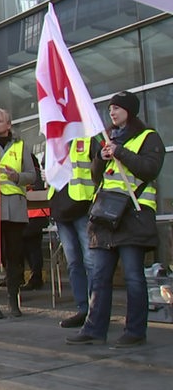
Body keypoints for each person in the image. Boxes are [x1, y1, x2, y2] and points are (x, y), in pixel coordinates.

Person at [66, 91, 165, 347]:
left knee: (133, 276)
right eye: (110, 108)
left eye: (117, 108)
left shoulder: (148, 137)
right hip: (105, 218)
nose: (112, 112)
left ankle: (135, 331)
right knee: (99, 275)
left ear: (130, 111)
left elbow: (149, 169)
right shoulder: (108, 139)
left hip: (133, 214)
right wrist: (100, 157)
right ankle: (94, 329)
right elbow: (98, 178)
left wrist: (120, 152)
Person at [0, 108, 36, 319]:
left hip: (14, 208)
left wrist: (17, 176)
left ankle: (13, 300)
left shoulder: (22, 146)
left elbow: (32, 176)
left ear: (9, 124)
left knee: (14, 257)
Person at [49, 137, 99, 328]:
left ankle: (96, 310)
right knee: (74, 263)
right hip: (61, 209)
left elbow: (98, 171)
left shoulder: (87, 139)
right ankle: (83, 309)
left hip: (83, 208)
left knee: (90, 261)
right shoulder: (54, 141)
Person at [21, 153, 49, 291]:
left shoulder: (35, 174)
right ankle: (31, 276)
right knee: (29, 248)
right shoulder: (34, 173)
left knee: (32, 248)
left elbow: (36, 191)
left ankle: (35, 277)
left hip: (36, 216)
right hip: (31, 216)